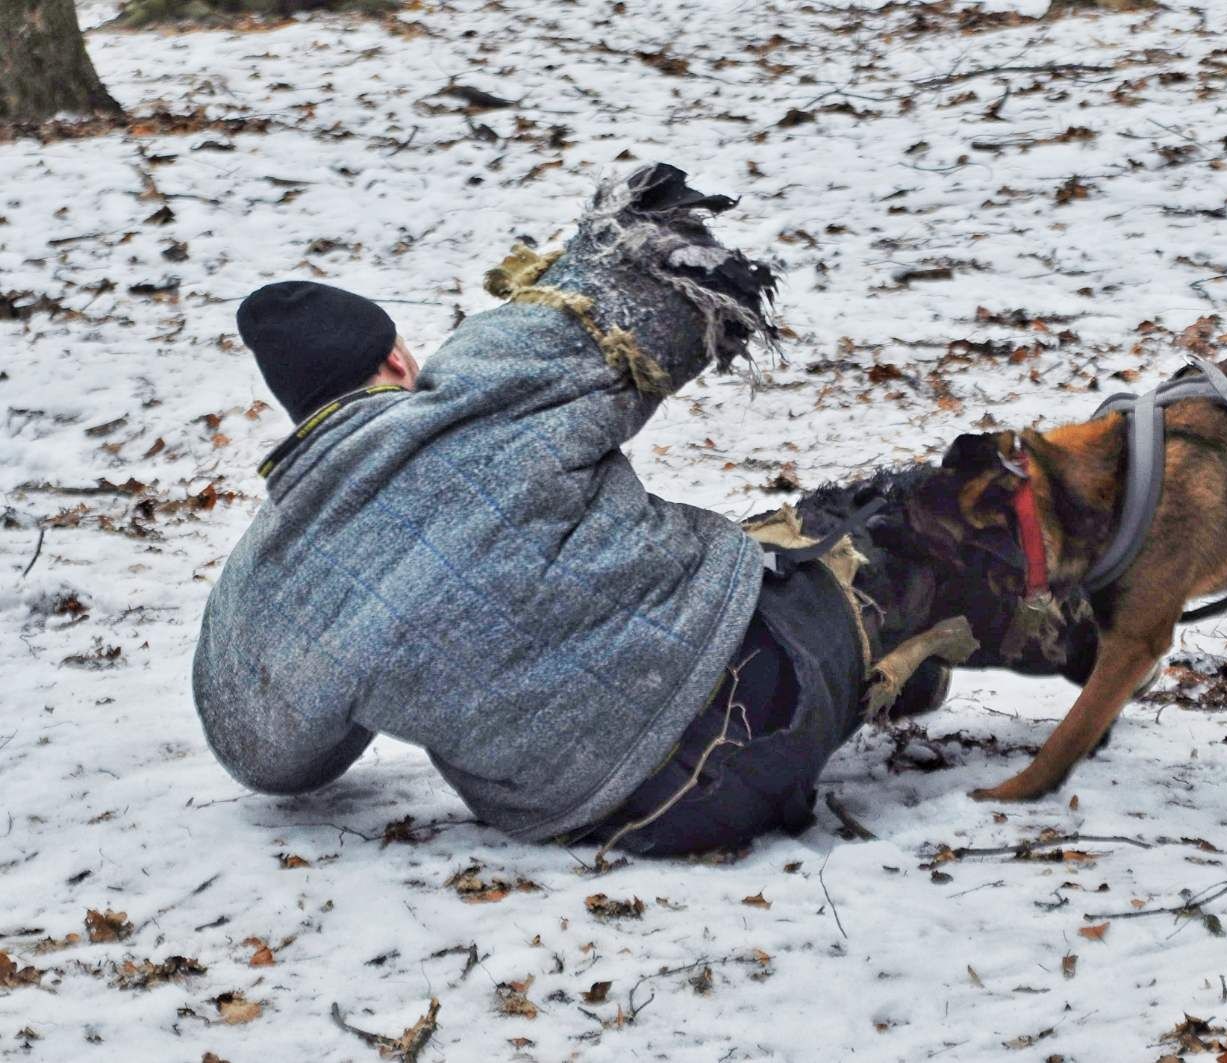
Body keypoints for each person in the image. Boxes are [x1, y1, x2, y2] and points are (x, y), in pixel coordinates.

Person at [192, 165, 876, 856]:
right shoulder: (483, 384)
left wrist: (378, 654)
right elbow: (655, 275)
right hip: (761, 688)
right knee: (889, 524)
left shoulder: (273, 579)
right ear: (397, 363)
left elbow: (264, 757)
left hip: (618, 816)